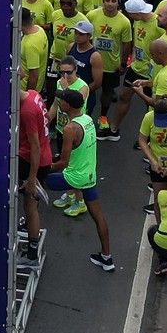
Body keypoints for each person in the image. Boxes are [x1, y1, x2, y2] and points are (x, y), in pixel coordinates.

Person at [53, 87, 115, 272]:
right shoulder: (87, 119)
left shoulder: (69, 129)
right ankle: (107, 258)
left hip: (73, 178)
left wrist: (42, 168)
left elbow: (63, 162)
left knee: (36, 182)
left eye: (62, 100)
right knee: (98, 217)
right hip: (90, 177)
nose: (60, 102)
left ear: (67, 105)